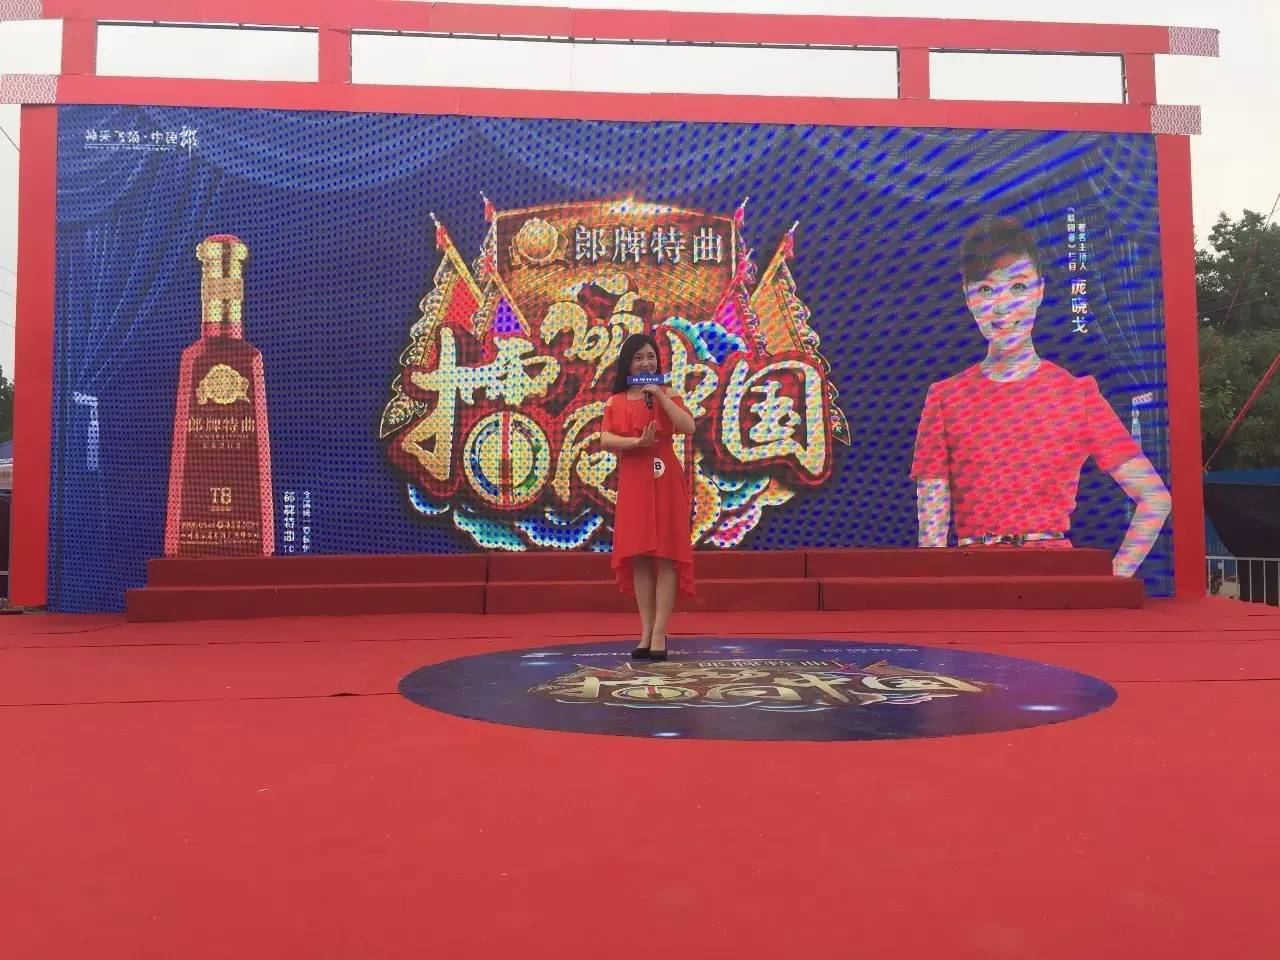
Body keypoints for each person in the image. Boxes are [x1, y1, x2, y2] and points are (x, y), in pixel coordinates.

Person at [911, 216, 1172, 576]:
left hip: (1053, 576)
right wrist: (938, 589)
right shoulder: (944, 399)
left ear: (1040, 291)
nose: (1002, 306)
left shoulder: (1077, 395)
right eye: (986, 289)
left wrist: (1114, 577)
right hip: (972, 576)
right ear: (967, 295)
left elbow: (1155, 498)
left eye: (1018, 286)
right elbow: (932, 528)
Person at [599, 333, 697, 659]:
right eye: (639, 357)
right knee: (639, 555)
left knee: (666, 554)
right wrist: (636, 443)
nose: (646, 362)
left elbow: (689, 427)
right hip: (634, 479)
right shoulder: (616, 401)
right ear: (628, 362)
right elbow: (605, 439)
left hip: (666, 477)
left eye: (651, 356)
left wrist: (661, 396)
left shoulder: (668, 394)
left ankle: (659, 633)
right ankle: (645, 631)